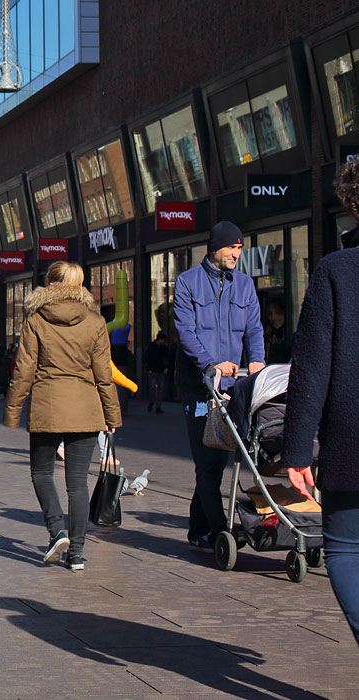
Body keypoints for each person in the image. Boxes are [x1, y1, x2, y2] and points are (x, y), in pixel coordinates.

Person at [3, 262, 122, 572]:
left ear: (50, 283)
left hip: (48, 406)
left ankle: (57, 530)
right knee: (78, 483)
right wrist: (111, 415)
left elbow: (24, 369)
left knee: (41, 472)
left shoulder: (36, 319)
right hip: (86, 408)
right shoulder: (95, 320)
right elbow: (104, 374)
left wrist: (12, 413)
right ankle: (78, 553)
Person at [284, 160, 359, 646]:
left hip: (351, 437)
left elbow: (312, 367)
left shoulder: (336, 271)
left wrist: (295, 450)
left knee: (348, 550)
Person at [172, 221, 265, 553]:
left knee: (217, 462)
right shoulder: (187, 283)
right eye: (231, 248)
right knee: (208, 460)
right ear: (215, 248)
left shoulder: (244, 285)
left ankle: (197, 529)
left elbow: (254, 327)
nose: (236, 254)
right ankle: (217, 531)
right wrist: (210, 364)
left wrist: (257, 360)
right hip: (200, 387)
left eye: (240, 248)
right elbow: (187, 333)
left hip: (234, 386)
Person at [144, 332, 171, 414]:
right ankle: (152, 402)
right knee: (153, 388)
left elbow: (168, 358)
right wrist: (149, 368)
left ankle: (157, 406)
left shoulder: (163, 348)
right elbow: (147, 358)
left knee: (159, 389)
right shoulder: (152, 347)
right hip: (153, 370)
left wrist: (166, 367)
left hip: (160, 370)